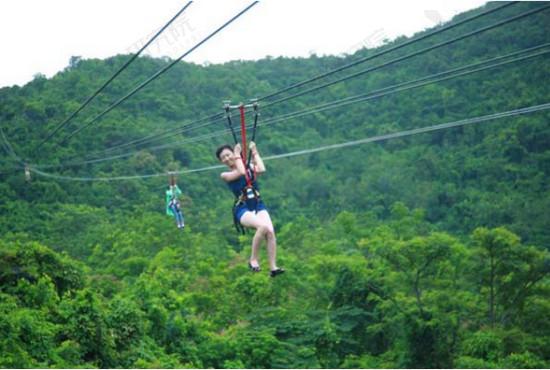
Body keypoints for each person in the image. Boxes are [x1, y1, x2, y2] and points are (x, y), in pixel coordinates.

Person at [216, 141, 284, 277]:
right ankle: (253, 259)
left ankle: (273, 267)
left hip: (257, 203)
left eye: (228, 155)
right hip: (242, 207)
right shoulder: (225, 175)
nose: (227, 158)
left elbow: (262, 169)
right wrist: (236, 154)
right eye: (223, 157)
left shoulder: (249, 167)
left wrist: (254, 151)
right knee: (262, 227)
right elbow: (241, 172)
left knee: (270, 232)